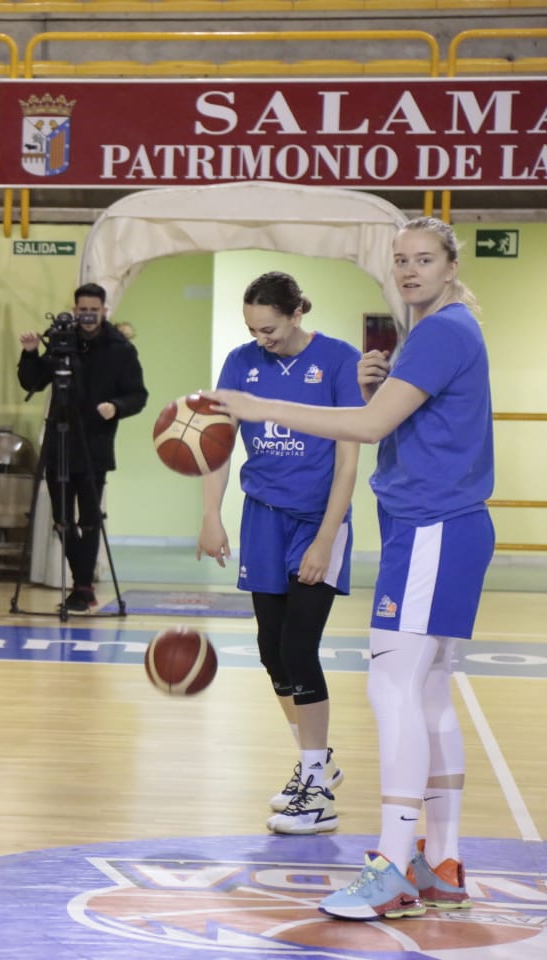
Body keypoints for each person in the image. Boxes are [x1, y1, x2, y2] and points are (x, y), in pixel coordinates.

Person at [206, 217, 493, 921]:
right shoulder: (439, 334)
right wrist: (381, 386)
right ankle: (442, 863)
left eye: (424, 259)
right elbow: (395, 420)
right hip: (438, 527)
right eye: (400, 260)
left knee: (394, 692)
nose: (409, 270)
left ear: (451, 265)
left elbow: (363, 431)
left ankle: (394, 867)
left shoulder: (443, 330)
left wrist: (252, 404)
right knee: (426, 696)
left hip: (431, 527)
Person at [198, 271, 362, 836]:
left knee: (299, 645)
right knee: (272, 649)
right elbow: (217, 446)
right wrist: (211, 515)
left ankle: (317, 790)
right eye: (252, 329)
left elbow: (348, 459)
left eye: (268, 327)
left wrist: (326, 535)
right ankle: (319, 762)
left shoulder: (339, 361)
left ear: (295, 315)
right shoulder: (241, 362)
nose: (260, 338)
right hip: (262, 517)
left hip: (318, 520)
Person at [18, 282, 147, 612]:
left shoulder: (120, 348)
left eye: (94, 309)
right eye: (82, 309)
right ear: (75, 310)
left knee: (90, 519)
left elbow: (138, 395)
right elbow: (33, 382)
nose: (88, 315)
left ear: (104, 311)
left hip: (96, 445)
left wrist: (116, 406)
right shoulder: (62, 341)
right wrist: (31, 352)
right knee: (62, 520)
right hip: (60, 443)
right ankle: (82, 582)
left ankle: (82, 586)